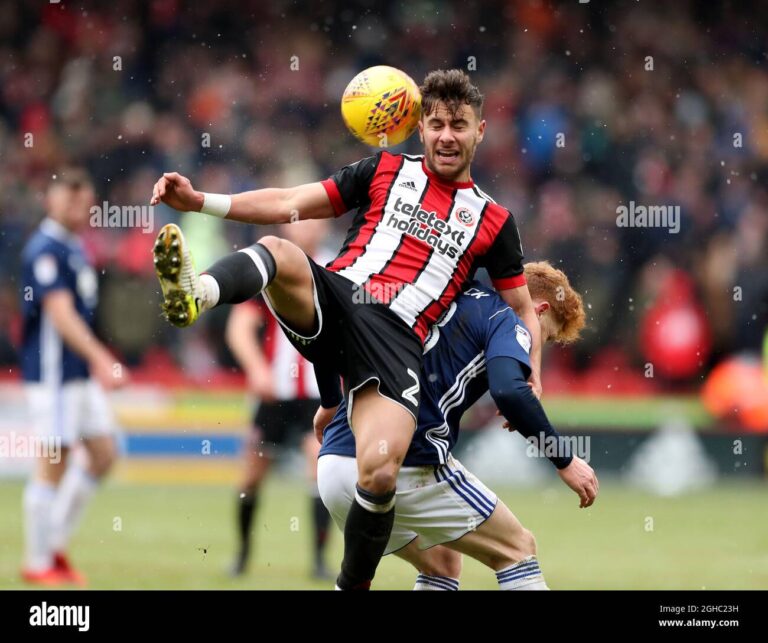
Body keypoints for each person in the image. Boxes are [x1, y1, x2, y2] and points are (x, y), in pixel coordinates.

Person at [150, 69, 542, 589]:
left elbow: (522, 307)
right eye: (437, 123)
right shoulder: (381, 169)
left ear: (480, 131)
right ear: (420, 128)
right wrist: (203, 201)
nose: (447, 135)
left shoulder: (494, 220)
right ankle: (197, 293)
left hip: (396, 341)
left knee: (379, 472)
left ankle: (349, 583)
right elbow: (291, 201)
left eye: (459, 125)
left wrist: (532, 375)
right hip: (341, 296)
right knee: (280, 251)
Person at [316, 262, 598, 590]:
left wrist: (330, 401)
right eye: (545, 336)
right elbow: (508, 391)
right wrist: (565, 460)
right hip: (403, 463)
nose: (535, 349)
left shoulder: (440, 290)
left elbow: (332, 314)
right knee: (517, 548)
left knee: (442, 561)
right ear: (539, 308)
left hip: (335, 463)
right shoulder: (508, 319)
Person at [19, 168, 127, 586]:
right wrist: (103, 359)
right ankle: (37, 561)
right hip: (54, 376)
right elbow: (60, 316)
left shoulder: (75, 248)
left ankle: (54, 543)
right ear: (49, 199)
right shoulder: (44, 249)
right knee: (53, 463)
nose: (75, 207)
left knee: (104, 453)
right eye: (66, 198)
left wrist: (96, 360)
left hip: (77, 376)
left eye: (81, 201)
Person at [226, 220, 333, 578]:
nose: (309, 228)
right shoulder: (270, 270)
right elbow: (239, 328)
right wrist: (257, 370)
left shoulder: (335, 269)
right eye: (302, 221)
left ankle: (319, 562)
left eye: (317, 220)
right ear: (288, 227)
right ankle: (241, 556)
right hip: (274, 396)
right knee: (252, 477)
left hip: (318, 396)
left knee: (320, 471)